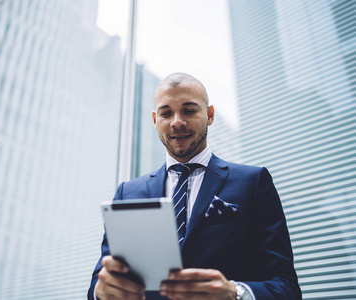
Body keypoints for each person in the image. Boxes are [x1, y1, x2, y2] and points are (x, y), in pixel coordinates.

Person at [88, 73, 302, 300]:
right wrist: (101, 291)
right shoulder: (127, 192)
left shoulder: (253, 181)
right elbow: (97, 285)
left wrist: (235, 293)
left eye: (189, 110)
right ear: (154, 120)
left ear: (209, 115)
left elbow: (286, 287)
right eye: (166, 113)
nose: (177, 121)